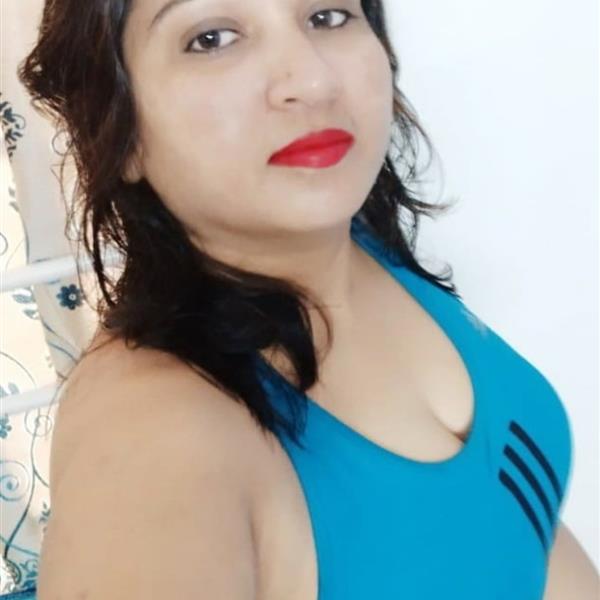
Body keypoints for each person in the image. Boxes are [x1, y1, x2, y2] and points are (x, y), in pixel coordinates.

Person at [16, 0, 598, 598]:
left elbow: (504, 526)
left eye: (327, 16)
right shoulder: (153, 441)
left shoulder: (356, 246)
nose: (314, 81)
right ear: (119, 130)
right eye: (212, 38)